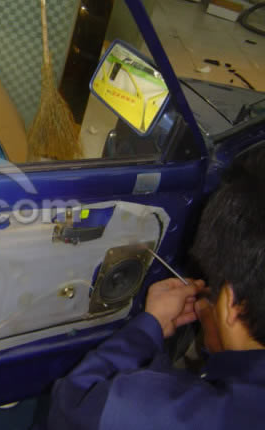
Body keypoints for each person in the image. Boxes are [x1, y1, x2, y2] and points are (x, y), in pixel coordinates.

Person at [42, 146, 265, 429]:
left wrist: (148, 328)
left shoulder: (155, 412)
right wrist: (222, 341)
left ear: (233, 305)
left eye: (214, 288)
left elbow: (72, 403)